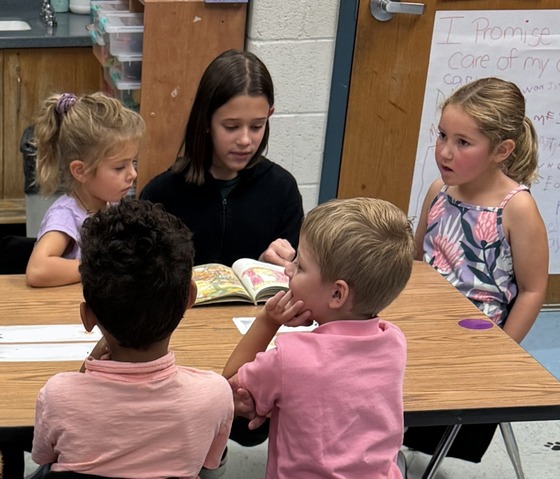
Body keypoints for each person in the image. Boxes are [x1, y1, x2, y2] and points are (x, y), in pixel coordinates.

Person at [30, 199, 233, 478]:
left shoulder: (58, 395)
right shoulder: (215, 394)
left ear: (88, 316)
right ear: (190, 297)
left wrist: (88, 365)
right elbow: (209, 466)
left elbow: (44, 458)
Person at [404, 77, 549, 463]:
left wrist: (500, 353)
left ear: (501, 150)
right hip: (423, 322)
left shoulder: (517, 208)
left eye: (463, 143)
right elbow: (418, 259)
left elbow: (534, 290)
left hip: (473, 341)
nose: (445, 152)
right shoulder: (439, 190)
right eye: (442, 136)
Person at [222, 197, 414, 478]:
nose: (288, 270)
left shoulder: (290, 358)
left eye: (300, 267)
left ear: (337, 294)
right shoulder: (394, 340)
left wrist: (267, 321)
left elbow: (227, 387)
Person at [140, 49, 304, 269]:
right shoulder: (160, 195)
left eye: (257, 126)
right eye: (231, 126)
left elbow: (299, 279)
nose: (245, 140)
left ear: (269, 115)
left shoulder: (282, 190)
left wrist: (270, 265)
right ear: (206, 120)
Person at [25, 92, 145, 288]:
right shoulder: (67, 216)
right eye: (119, 167)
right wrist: (101, 268)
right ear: (80, 171)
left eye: (133, 163)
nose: (133, 174)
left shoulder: (110, 205)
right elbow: (38, 270)